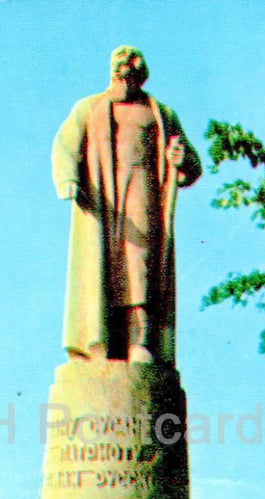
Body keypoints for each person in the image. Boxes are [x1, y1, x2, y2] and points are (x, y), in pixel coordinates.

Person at [52, 46, 201, 364]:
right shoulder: (90, 108)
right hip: (101, 199)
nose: (126, 81)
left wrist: (182, 160)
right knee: (99, 269)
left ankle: (140, 340)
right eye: (121, 73)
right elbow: (65, 145)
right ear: (114, 74)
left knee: (140, 267)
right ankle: (97, 343)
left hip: (143, 196)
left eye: (133, 74)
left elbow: (191, 161)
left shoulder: (160, 113)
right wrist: (67, 178)